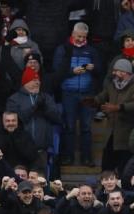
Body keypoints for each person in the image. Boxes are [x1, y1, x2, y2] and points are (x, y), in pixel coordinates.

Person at [52, 22, 102, 167]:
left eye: (83, 36)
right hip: (69, 92)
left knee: (86, 127)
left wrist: (93, 68)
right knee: (69, 126)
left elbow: (100, 70)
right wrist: (72, 71)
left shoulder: (92, 51)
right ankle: (68, 157)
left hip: (87, 93)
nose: (80, 39)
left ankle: (87, 158)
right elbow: (56, 70)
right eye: (78, 36)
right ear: (73, 34)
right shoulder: (63, 49)